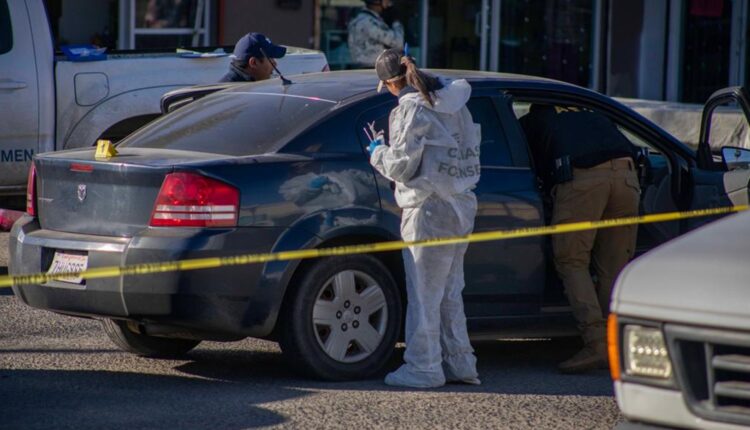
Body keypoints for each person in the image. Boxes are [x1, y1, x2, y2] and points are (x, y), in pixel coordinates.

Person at [368, 49, 482, 388]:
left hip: (428, 209)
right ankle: (460, 364)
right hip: (460, 206)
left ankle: (424, 368)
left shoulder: (411, 110)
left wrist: (377, 153)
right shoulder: (456, 103)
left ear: (391, 83)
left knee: (423, 295)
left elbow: (402, 165)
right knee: (449, 292)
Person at [520, 104, 640, 373]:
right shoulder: (594, 113)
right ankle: (617, 344)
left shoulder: (533, 122)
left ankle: (597, 344)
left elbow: (528, 164)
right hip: (628, 177)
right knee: (614, 266)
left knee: (572, 261)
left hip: (583, 181)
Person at [348, 0, 404, 68]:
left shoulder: (360, 19)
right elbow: (398, 42)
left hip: (363, 67)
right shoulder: (369, 22)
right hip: (371, 68)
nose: (389, 3)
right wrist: (396, 23)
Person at [220, 32, 287, 82]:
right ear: (254, 63)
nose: (275, 63)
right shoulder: (232, 95)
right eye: (270, 58)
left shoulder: (247, 89)